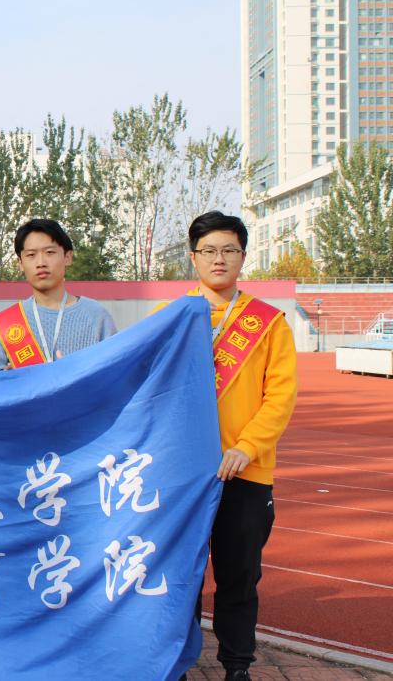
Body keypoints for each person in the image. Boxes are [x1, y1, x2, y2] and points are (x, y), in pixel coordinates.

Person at [173, 211, 297, 681]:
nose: (219, 259)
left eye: (229, 250)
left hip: (245, 472)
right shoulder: (169, 318)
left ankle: (237, 666)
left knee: (239, 577)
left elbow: (280, 397)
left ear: (243, 256)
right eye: (208, 250)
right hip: (183, 475)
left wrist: (248, 446)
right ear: (193, 258)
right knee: (179, 576)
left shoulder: (269, 323)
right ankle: (178, 661)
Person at [0, 219, 116, 370]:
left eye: (49, 252)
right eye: (31, 255)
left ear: (67, 257)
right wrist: (8, 378)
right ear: (20, 263)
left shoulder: (96, 316)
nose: (41, 262)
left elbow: (117, 374)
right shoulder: (7, 324)